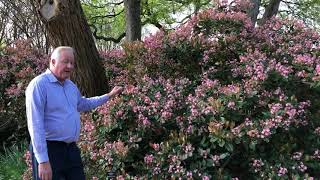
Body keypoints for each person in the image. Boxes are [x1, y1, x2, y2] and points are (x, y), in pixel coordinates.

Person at [26, 46, 123, 180]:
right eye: (65, 62)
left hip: (71, 150)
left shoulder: (70, 86)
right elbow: (35, 125)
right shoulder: (39, 85)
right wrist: (42, 161)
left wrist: (109, 95)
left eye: (72, 63)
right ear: (53, 61)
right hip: (50, 150)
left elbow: (83, 104)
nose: (70, 66)